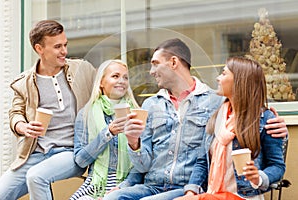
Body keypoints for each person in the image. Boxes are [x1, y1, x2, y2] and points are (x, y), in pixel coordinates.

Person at [102, 38, 288, 200]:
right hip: (155, 185)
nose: (150, 71)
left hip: (195, 188)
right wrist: (134, 143)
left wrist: (281, 131)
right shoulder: (152, 105)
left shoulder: (214, 102)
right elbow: (145, 164)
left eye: (155, 63)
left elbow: (249, 113)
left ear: (173, 62)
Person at [0, 20, 96, 200]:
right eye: (57, 47)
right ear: (39, 48)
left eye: (65, 45)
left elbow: (105, 91)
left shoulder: (82, 70)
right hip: (35, 153)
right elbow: (15, 113)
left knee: (36, 177)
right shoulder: (24, 82)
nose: (64, 51)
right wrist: (23, 127)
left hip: (71, 151)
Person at [175, 56, 286, 200]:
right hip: (213, 194)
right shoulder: (217, 116)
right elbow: (202, 162)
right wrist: (191, 192)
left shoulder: (265, 119)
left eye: (223, 73)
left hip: (243, 196)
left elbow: (277, 166)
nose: (217, 78)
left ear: (240, 80)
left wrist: (258, 177)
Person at [69, 59, 140, 200]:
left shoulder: (137, 113)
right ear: (101, 82)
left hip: (128, 183)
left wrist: (122, 187)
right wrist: (108, 134)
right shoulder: (86, 113)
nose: (122, 81)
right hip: (96, 183)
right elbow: (81, 161)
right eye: (115, 76)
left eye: (125, 77)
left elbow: (143, 161)